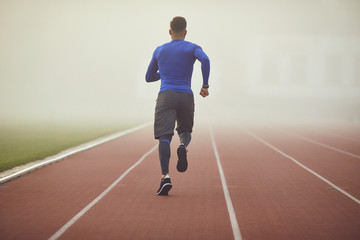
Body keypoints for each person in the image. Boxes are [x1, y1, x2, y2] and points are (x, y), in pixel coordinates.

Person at [145, 16, 210, 196]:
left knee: (164, 137)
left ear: (169, 31)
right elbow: (205, 60)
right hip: (185, 95)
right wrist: (205, 85)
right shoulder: (192, 48)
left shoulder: (160, 50)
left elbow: (148, 77)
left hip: (166, 95)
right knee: (185, 131)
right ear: (186, 32)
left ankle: (165, 176)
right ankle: (182, 145)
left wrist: (164, 73)